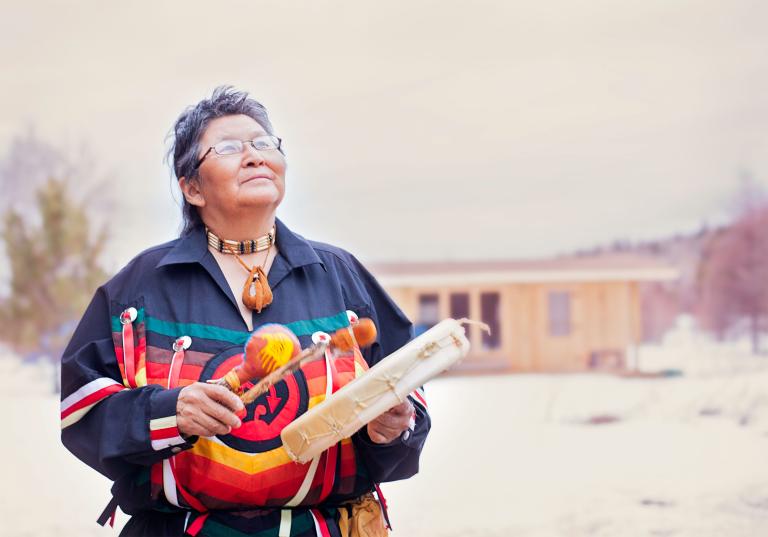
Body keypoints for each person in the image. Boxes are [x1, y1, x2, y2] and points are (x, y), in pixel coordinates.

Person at [60, 86, 430, 537]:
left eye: (264, 143)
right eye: (230, 148)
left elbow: (407, 390)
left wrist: (390, 426)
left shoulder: (340, 276)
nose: (254, 156)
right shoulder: (141, 287)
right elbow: (81, 411)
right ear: (192, 187)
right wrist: (169, 410)